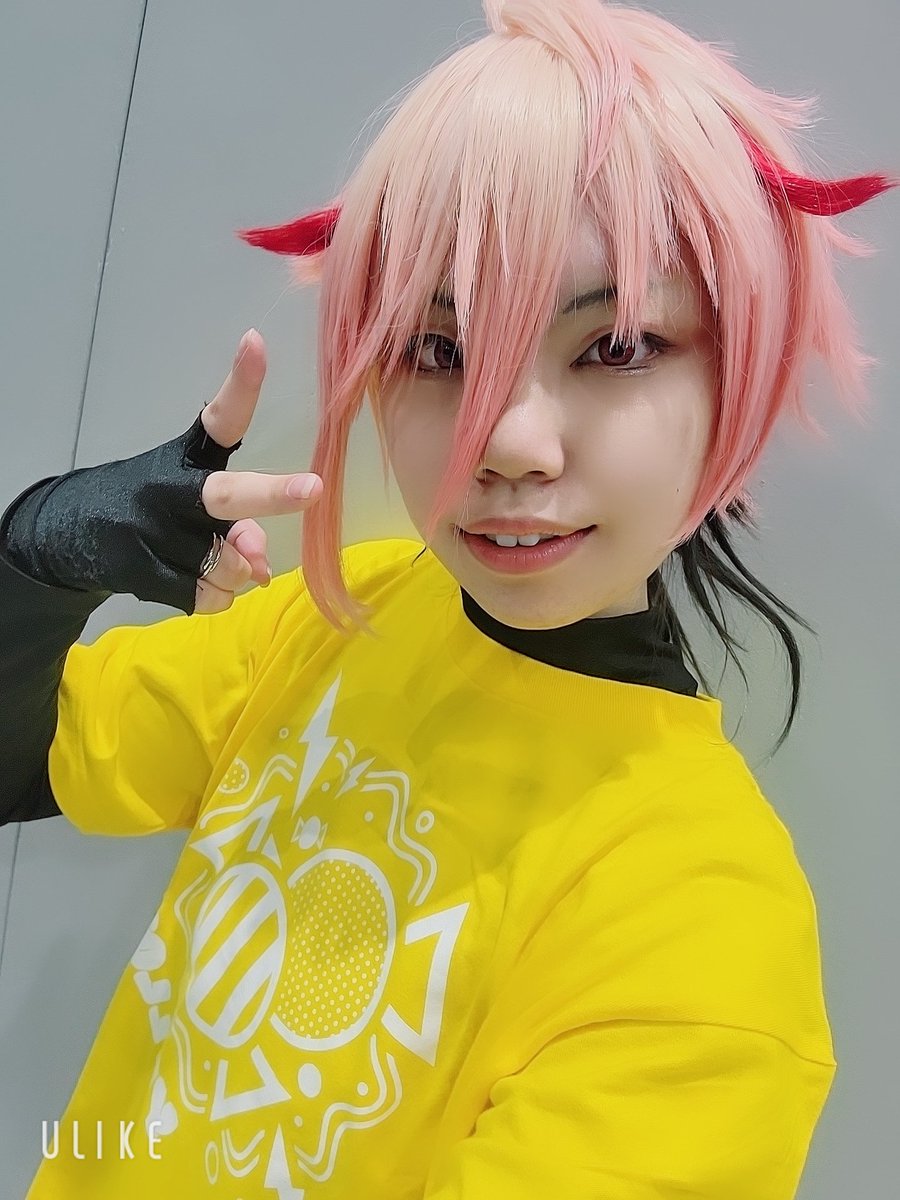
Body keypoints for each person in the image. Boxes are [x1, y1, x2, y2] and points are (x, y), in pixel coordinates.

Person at [1, 0, 895, 1195]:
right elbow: (23, 763)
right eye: (437, 350)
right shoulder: (350, 612)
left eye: (616, 346)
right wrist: (37, 560)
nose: (508, 442)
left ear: (738, 373)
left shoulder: (703, 925)